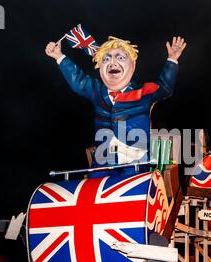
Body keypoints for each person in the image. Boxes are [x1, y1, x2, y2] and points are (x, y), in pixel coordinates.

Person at [45, 34, 186, 175]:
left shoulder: (144, 93)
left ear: (133, 65)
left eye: (120, 57)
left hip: (136, 162)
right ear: (100, 67)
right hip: (103, 162)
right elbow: (78, 81)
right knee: (94, 187)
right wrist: (59, 56)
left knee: (133, 188)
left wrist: (172, 59)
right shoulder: (97, 91)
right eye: (106, 59)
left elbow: (165, 88)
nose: (112, 62)